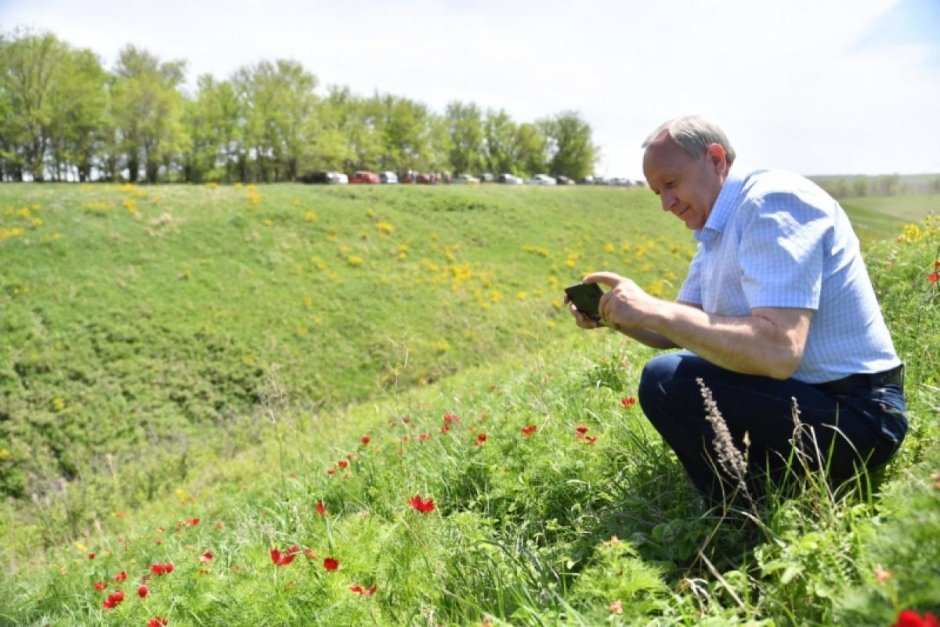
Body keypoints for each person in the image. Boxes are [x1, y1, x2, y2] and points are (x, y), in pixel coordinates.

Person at [568, 115, 908, 504]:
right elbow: (676, 328)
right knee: (677, 368)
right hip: (815, 401)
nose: (666, 204)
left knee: (667, 381)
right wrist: (620, 313)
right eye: (657, 192)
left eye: (671, 184)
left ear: (715, 158)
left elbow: (779, 351)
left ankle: (747, 512)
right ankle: (766, 492)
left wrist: (654, 311)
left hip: (859, 417)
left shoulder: (771, 203)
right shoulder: (717, 227)